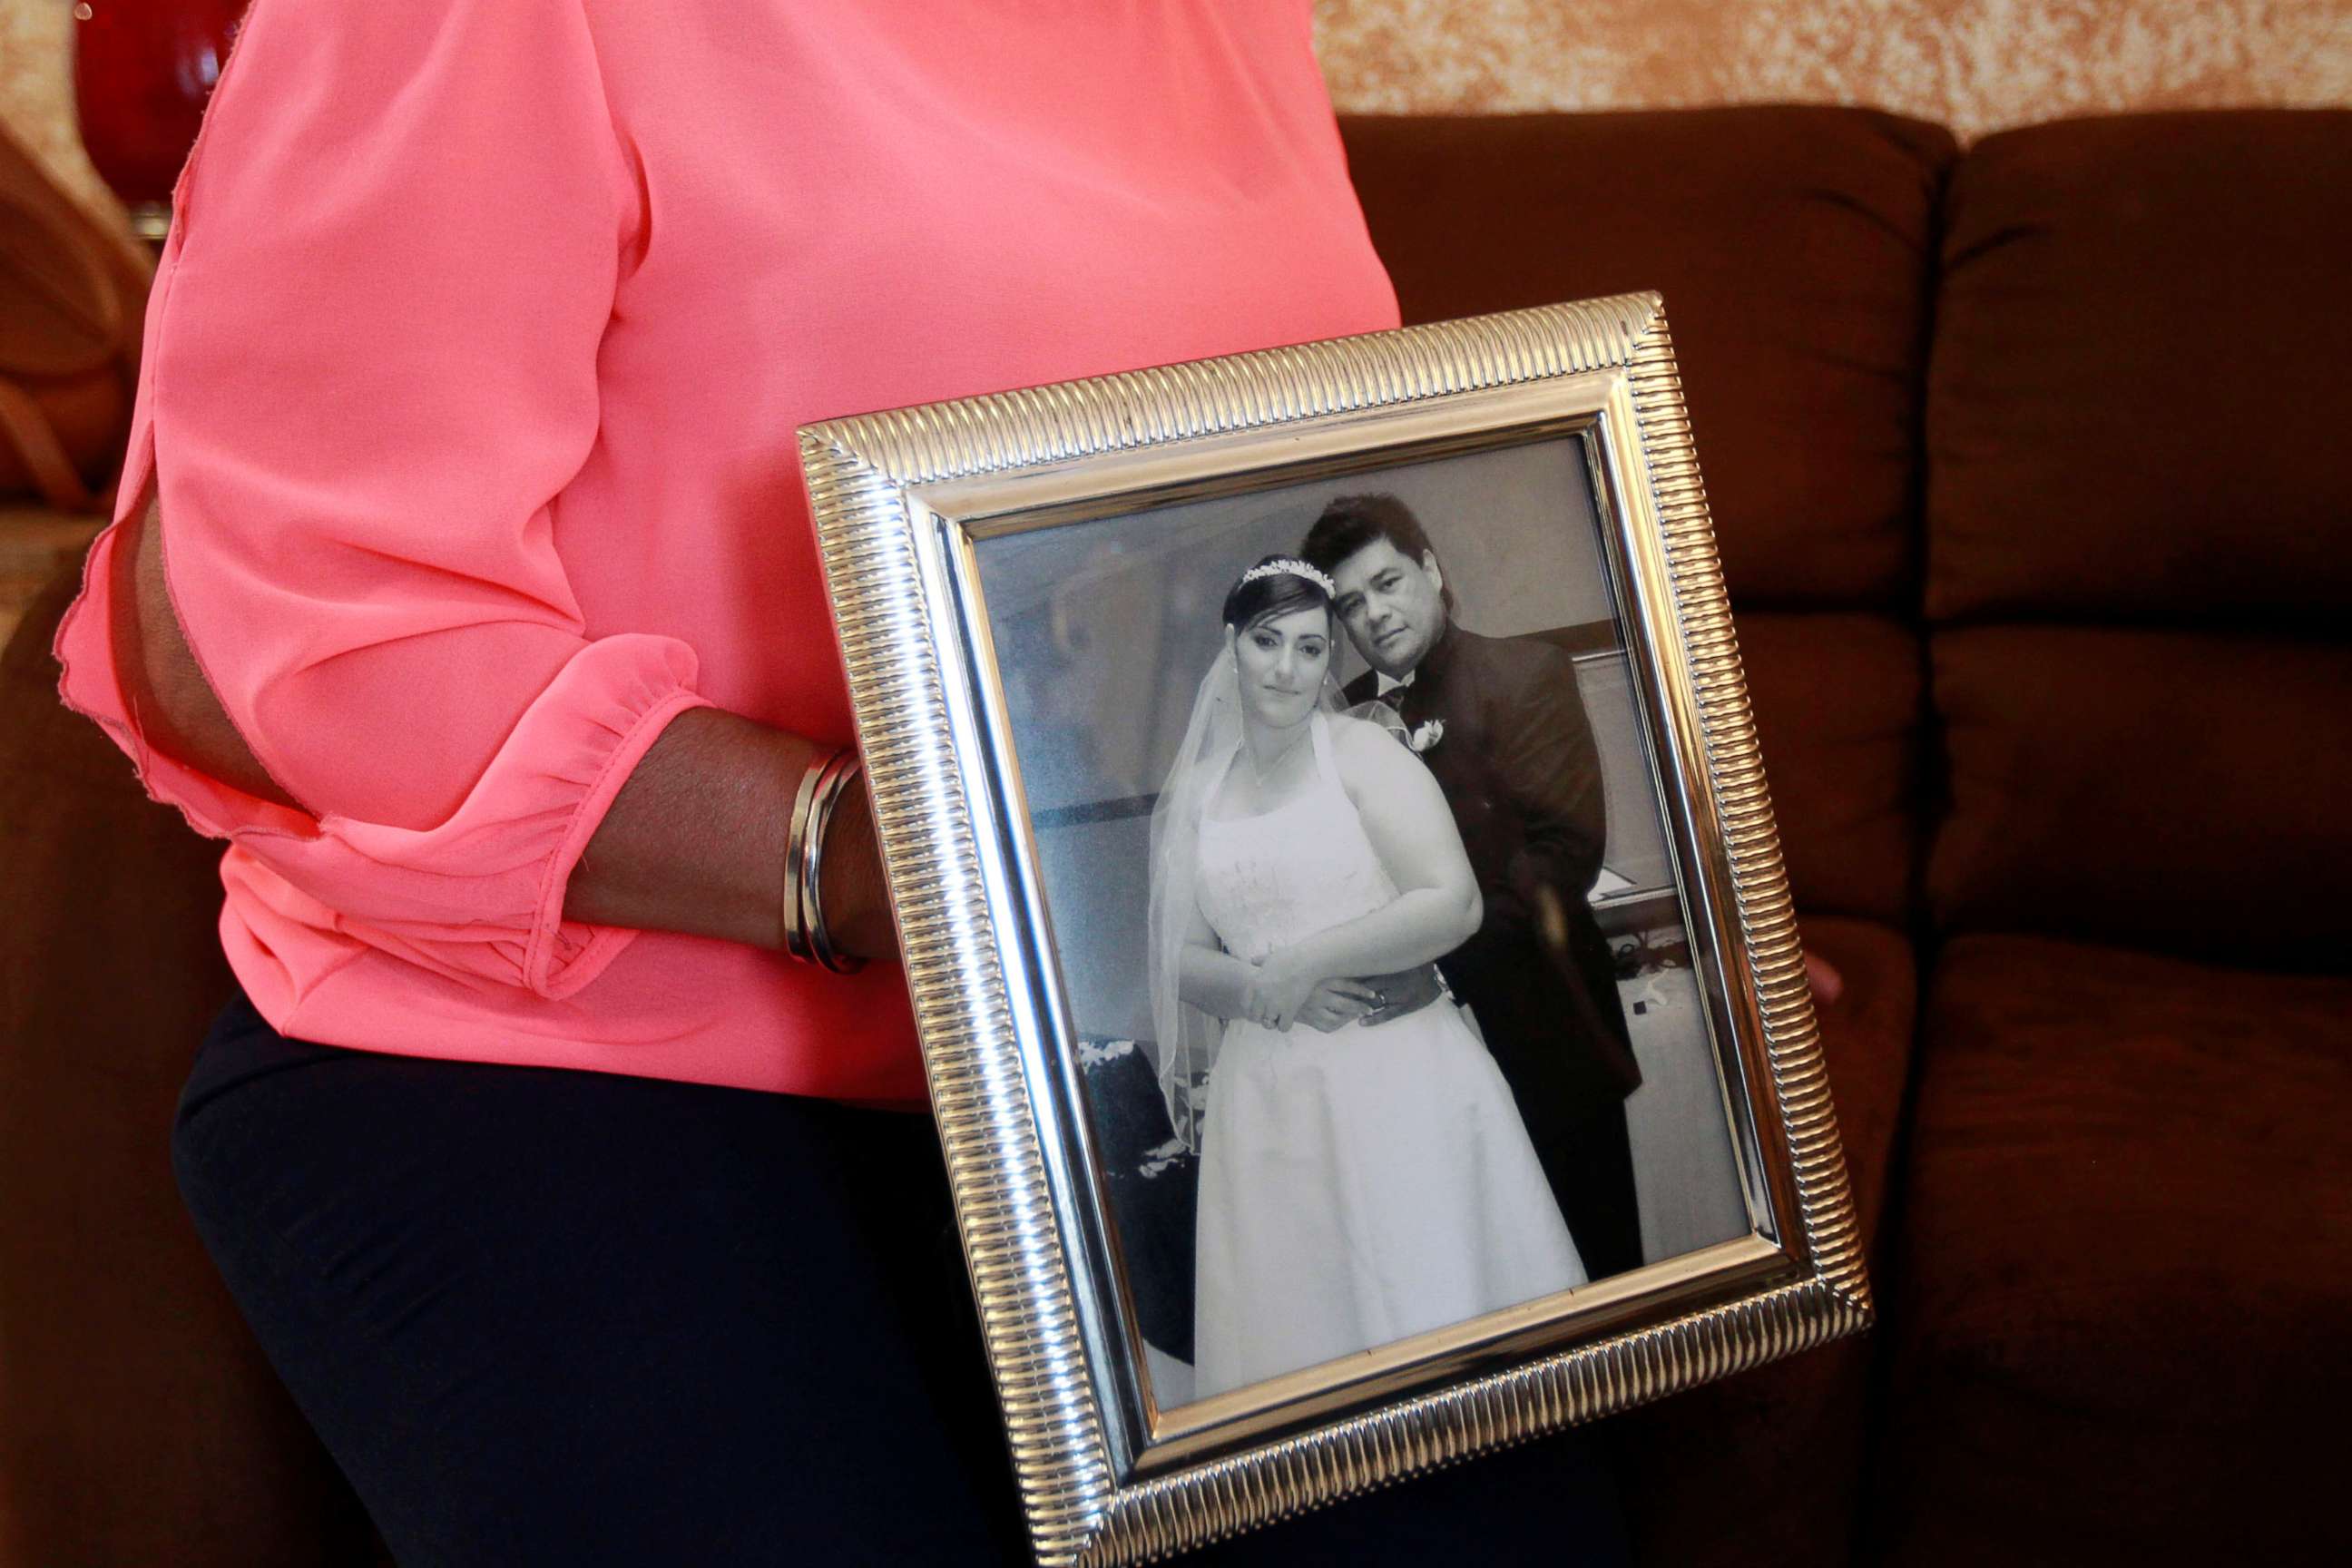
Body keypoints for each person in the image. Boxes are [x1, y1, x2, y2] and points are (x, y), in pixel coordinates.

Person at [52, 2, 1645, 1562]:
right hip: (595, 1062)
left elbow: (1261, 511)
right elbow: (301, 630)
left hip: (1077, 1060)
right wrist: (896, 851)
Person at [1150, 558, 1587, 1399]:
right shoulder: (1200, 795)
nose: (1287, 667)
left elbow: (1450, 903)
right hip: (1271, 1095)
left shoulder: (1363, 754)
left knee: (1431, 1293)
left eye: (1311, 649)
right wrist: (1266, 993)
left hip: (1396, 1073)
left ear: (1327, 662)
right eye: (1268, 642)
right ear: (1231, 646)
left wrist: (1307, 960)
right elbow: (1177, 956)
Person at [1303, 494, 1649, 1280]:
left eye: (1388, 583)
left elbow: (1563, 859)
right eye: (1352, 605)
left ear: (1432, 570)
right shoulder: (1335, 729)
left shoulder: (1525, 672)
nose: (1375, 614)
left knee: (1593, 1277)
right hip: (1407, 1059)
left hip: (1546, 1030)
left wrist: (1426, 968)